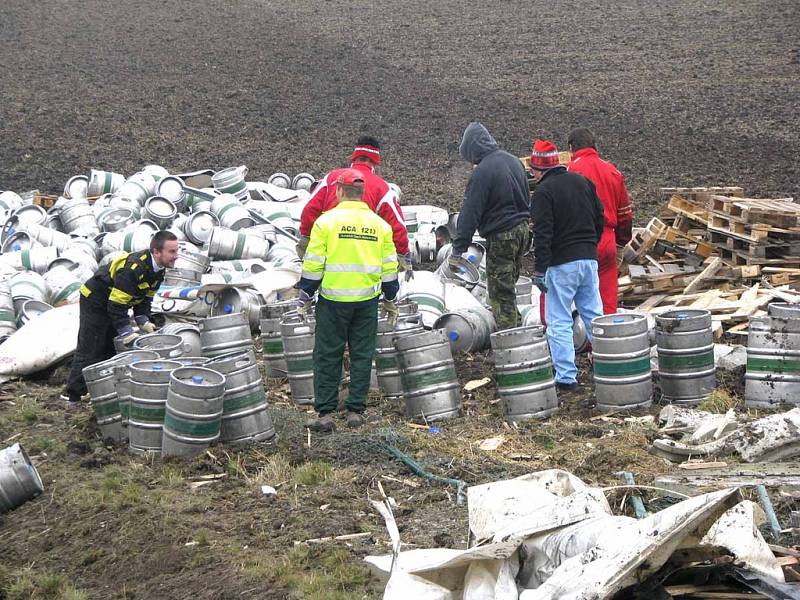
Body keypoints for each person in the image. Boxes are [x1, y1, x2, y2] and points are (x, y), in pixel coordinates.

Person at [297, 168, 399, 432]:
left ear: (339, 191)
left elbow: (314, 264)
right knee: (362, 355)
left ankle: (326, 414)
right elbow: (390, 266)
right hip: (366, 301)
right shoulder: (380, 226)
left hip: (333, 302)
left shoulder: (325, 223)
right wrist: (390, 297)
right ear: (362, 193)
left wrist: (305, 295)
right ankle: (355, 411)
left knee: (327, 355)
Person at [63, 231, 179, 404]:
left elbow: (144, 299)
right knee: (92, 345)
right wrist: (126, 331)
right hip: (96, 300)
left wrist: (144, 321)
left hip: (113, 303)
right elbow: (116, 305)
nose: (176, 256)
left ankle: (99, 390)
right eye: (172, 252)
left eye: (177, 251)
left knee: (110, 348)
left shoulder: (159, 270)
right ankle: (73, 395)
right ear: (156, 252)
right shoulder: (133, 268)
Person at [529, 139, 604, 390]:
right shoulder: (583, 182)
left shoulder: (543, 193)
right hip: (588, 259)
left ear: (540, 169)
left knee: (559, 319)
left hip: (561, 264)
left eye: (533, 169)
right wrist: (590, 245)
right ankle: (607, 366)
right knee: (594, 315)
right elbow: (599, 218)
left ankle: (566, 377)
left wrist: (540, 269)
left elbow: (543, 234)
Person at [451, 122, 531, 329]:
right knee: (509, 284)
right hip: (523, 231)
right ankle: (518, 327)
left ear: (472, 149)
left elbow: (470, 212)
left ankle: (510, 339)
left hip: (503, 235)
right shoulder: (514, 161)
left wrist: (459, 248)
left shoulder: (483, 171)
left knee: (499, 291)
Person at [297, 136, 412, 280]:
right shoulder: (382, 188)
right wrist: (402, 254)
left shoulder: (331, 178)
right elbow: (398, 226)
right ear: (375, 160)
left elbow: (310, 210)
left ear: (354, 157)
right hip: (365, 261)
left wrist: (306, 238)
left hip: (329, 255)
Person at [567, 128, 633, 314]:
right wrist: (620, 242)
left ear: (571, 148)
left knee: (579, 296)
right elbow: (625, 215)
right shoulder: (613, 172)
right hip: (608, 240)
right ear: (595, 146)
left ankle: (584, 340)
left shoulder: (569, 172)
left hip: (579, 242)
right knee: (607, 299)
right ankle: (607, 339)